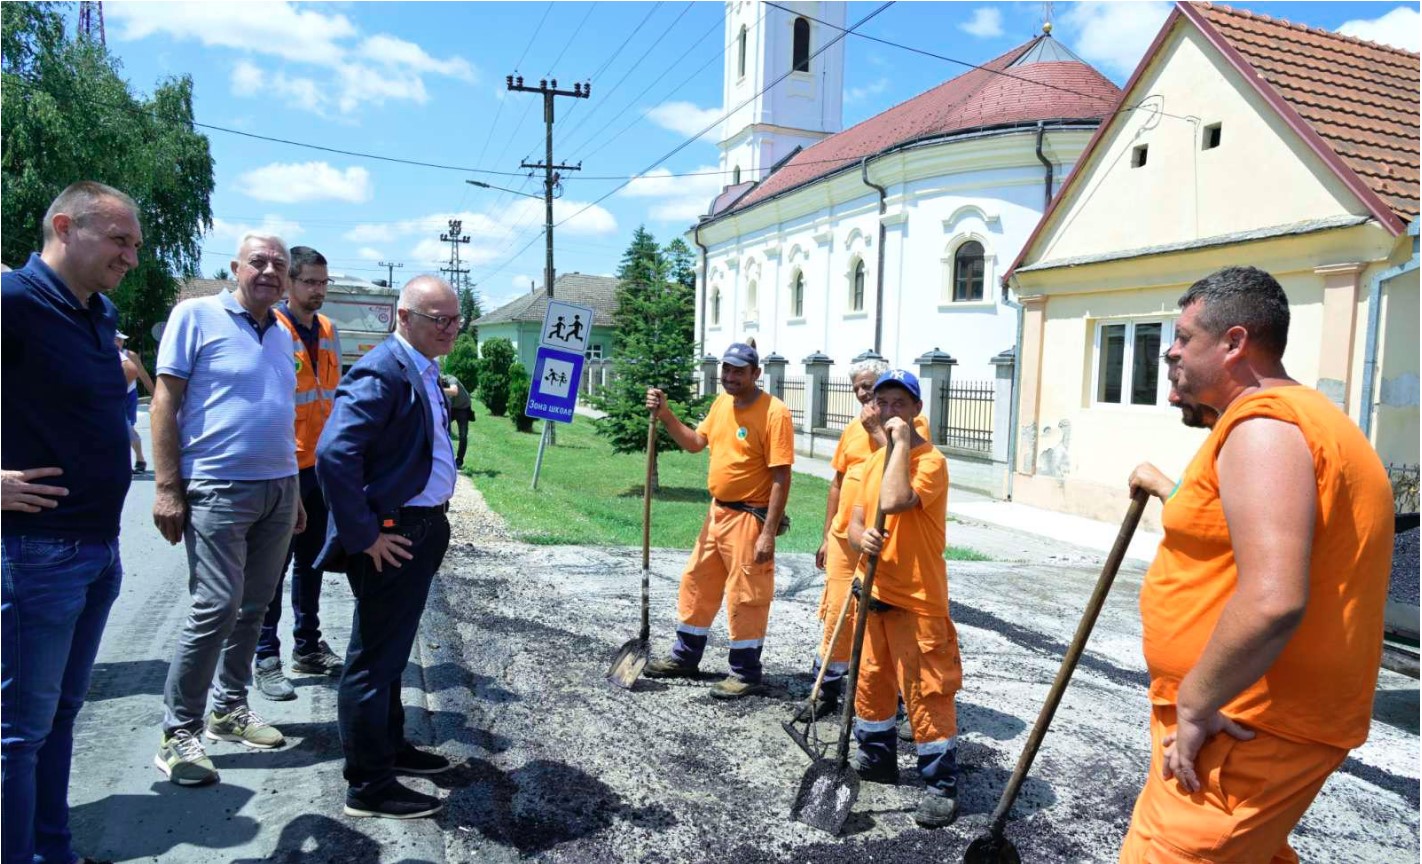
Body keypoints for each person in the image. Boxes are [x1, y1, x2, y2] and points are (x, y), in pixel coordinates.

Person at [1119, 266, 1395, 863]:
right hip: (1245, 711)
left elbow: (1272, 598)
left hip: (1243, 718)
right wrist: (1168, 488)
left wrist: (1194, 703)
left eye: (1185, 337)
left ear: (1235, 342)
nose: (1170, 351)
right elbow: (1233, 526)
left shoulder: (1264, 425)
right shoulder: (1298, 420)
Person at [1, 180, 142, 864]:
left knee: (58, 720)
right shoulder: (13, 303)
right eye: (119, 240)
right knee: (18, 734)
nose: (132, 256)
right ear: (64, 226)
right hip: (34, 555)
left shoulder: (96, 312)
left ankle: (52, 852)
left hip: (97, 551)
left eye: (136, 244)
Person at [150, 233, 306, 786]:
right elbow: (165, 399)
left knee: (257, 604)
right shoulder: (195, 315)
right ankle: (178, 733)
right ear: (235, 267)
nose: (269, 271)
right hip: (216, 486)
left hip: (278, 487)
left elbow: (279, 410)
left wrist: (293, 489)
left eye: (279, 265)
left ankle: (229, 709)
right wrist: (167, 485)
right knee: (216, 605)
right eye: (258, 262)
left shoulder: (282, 332)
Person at [315, 275, 461, 820]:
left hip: (423, 528)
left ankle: (391, 748)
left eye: (455, 318)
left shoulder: (424, 367)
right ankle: (368, 784)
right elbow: (334, 455)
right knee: (374, 659)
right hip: (394, 534)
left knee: (393, 651)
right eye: (438, 319)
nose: (450, 328)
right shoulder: (383, 368)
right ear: (404, 317)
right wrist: (364, 535)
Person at [642, 342, 794, 699]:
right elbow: (695, 443)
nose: (729, 377)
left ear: (756, 374)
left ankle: (745, 672)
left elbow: (781, 477)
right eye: (726, 369)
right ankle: (685, 657)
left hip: (749, 518)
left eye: (738, 371)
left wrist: (767, 533)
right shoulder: (722, 403)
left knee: (746, 595)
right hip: (717, 513)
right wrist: (666, 415)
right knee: (697, 581)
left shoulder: (775, 413)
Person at [846, 369, 963, 829]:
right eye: (883, 403)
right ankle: (877, 759)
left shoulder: (930, 461)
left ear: (916, 410)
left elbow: (895, 499)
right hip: (873, 593)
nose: (890, 411)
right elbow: (854, 519)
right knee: (871, 683)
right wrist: (862, 539)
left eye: (900, 403)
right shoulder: (873, 462)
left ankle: (939, 784)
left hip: (917, 600)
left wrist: (895, 442)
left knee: (926, 691)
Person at [800, 355, 931, 722]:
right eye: (858, 387)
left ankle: (900, 702)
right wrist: (828, 534)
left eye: (870, 386)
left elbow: (897, 471)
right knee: (837, 614)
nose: (864, 394)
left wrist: (878, 429)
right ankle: (825, 688)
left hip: (885, 538)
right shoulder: (851, 428)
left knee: (885, 625)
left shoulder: (911, 426)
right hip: (847, 534)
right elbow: (838, 483)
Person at [252, 247, 346, 702]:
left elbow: (333, 398)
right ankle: (265, 654)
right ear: (289, 283)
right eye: (310, 282)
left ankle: (306, 646)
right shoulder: (271, 328)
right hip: (282, 468)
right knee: (274, 565)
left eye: (323, 283)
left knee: (313, 561)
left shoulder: (327, 330)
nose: (318, 291)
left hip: (320, 469)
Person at [116, 332, 154, 474]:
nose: (118, 343)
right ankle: (138, 461)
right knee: (122, 429)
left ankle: (139, 460)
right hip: (111, 397)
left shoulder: (129, 355)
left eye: (120, 340)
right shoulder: (101, 351)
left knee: (127, 428)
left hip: (128, 396)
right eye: (115, 340)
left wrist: (155, 396)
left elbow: (142, 374)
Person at [440, 371, 474, 467]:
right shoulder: (440, 385)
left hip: (463, 408)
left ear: (442, 379)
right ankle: (444, 457)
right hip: (452, 408)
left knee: (462, 435)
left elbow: (454, 391)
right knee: (441, 430)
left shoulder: (451, 379)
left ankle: (459, 460)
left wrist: (439, 389)